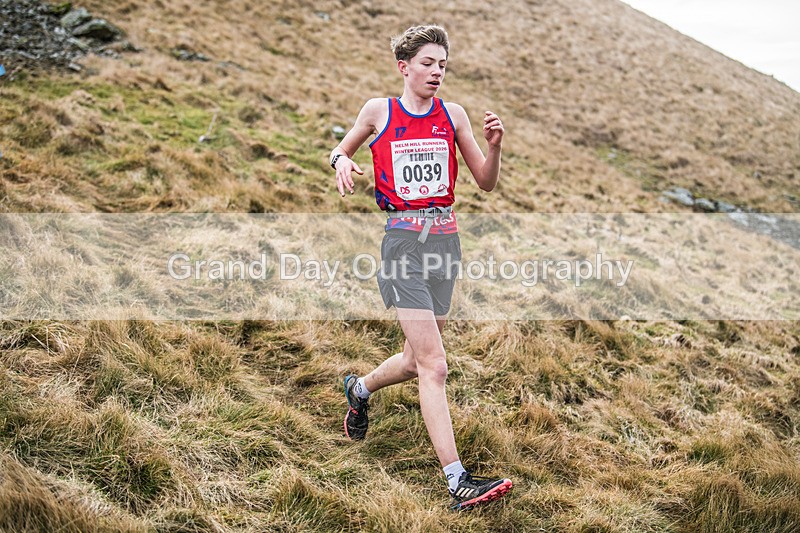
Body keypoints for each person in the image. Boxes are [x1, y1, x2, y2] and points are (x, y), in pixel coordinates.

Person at [329, 24, 512, 511]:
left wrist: (495, 146)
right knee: (436, 365)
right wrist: (340, 161)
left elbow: (485, 181)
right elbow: (341, 148)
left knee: (415, 360)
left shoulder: (453, 115)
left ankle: (359, 388)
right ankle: (458, 482)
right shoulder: (379, 110)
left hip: (445, 246)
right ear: (404, 67)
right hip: (403, 248)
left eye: (443, 65)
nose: (436, 73)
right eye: (428, 63)